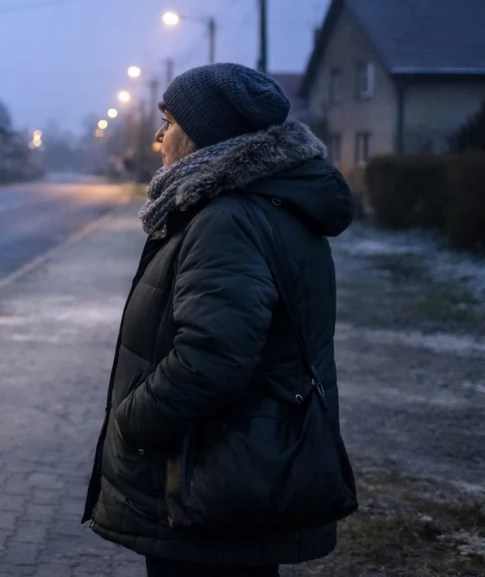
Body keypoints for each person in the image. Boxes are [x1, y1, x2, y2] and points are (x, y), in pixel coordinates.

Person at [82, 63, 356, 577]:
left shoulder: (227, 218)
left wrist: (132, 423)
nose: (159, 135)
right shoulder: (265, 204)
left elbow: (212, 356)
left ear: (205, 135)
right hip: (236, 468)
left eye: (169, 121)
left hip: (206, 477)